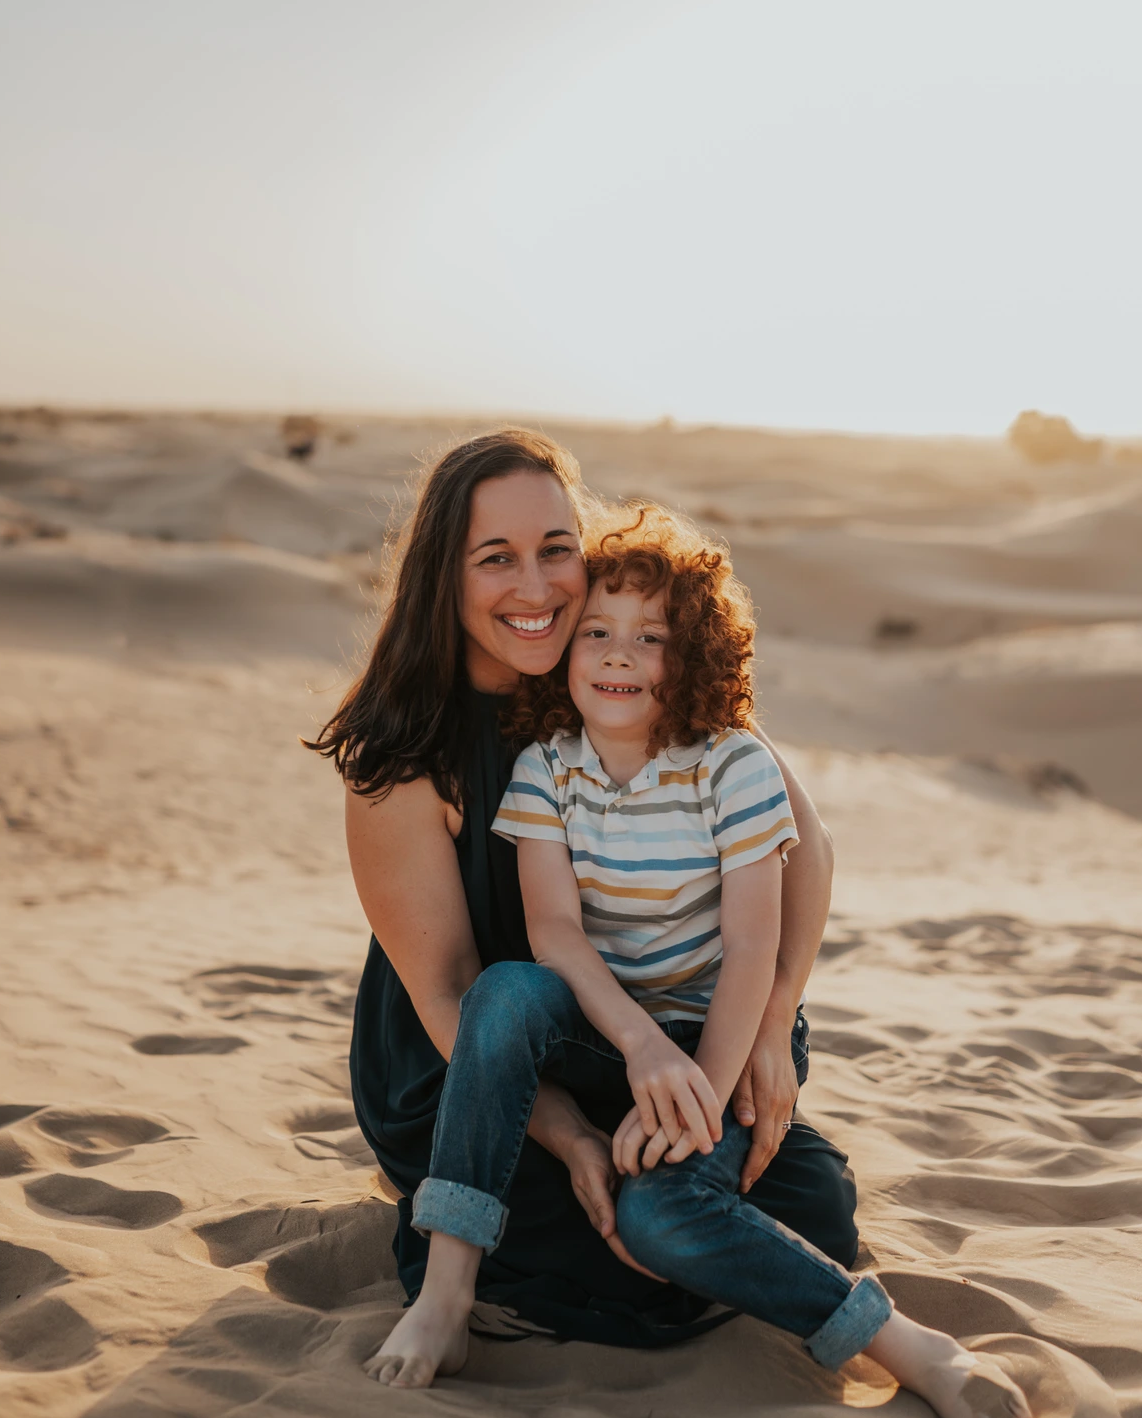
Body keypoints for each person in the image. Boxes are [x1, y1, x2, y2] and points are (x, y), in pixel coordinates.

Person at [361, 499, 1034, 1418]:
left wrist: (706, 1092)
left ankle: (904, 1344)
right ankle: (445, 1291)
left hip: (719, 1020)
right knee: (502, 994)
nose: (618, 655)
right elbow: (551, 935)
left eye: (651, 638)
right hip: (605, 1026)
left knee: (666, 1222)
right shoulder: (545, 769)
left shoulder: (731, 764)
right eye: (597, 632)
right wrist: (637, 1049)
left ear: (697, 657)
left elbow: (755, 951)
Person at [311, 430, 861, 1363]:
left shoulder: (615, 662)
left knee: (813, 1209)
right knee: (599, 1254)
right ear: (445, 575)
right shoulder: (400, 753)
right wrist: (567, 1137)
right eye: (496, 559)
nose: (536, 589)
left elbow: (804, 852)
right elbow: (448, 991)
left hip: (627, 1034)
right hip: (474, 1065)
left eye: (554, 550)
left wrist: (771, 1025)